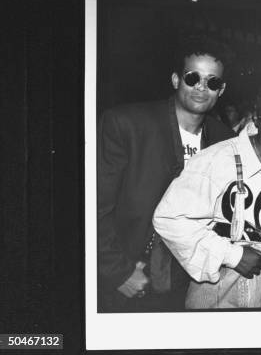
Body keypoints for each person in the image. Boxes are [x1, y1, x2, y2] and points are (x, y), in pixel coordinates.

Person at [97, 37, 235, 312]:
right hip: (131, 274)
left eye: (212, 82)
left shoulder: (225, 141)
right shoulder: (127, 124)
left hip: (192, 282)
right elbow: (94, 207)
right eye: (192, 77)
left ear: (221, 90)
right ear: (175, 80)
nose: (201, 88)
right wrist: (118, 272)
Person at [153, 80, 261, 308]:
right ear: (255, 118)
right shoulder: (218, 160)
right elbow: (169, 218)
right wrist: (231, 255)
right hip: (222, 291)